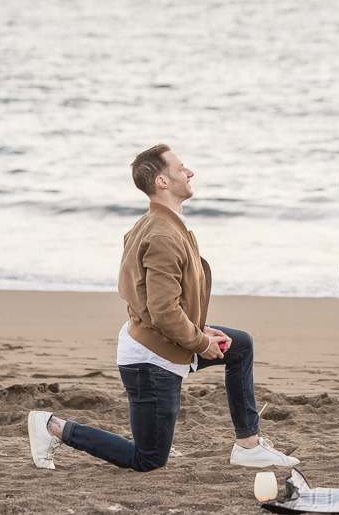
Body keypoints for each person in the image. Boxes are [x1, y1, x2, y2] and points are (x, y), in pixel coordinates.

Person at [27, 144, 299, 472]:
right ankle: (53, 427)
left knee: (239, 346)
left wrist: (200, 329)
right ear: (162, 182)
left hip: (163, 341)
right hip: (151, 361)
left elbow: (155, 301)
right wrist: (201, 342)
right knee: (148, 459)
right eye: (182, 168)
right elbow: (163, 311)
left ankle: (249, 446)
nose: (190, 172)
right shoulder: (162, 234)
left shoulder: (159, 223)